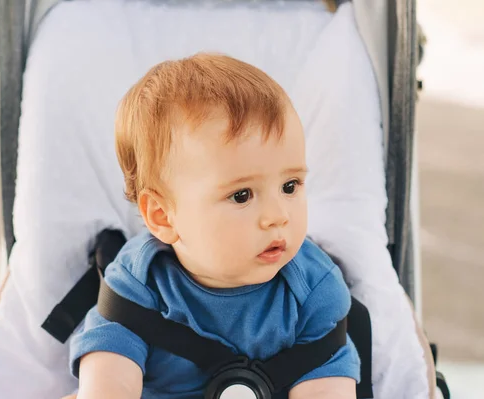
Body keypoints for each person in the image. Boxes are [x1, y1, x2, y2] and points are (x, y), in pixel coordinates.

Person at [69, 53, 360, 399]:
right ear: (163, 216)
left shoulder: (314, 289)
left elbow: (326, 383)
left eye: (290, 186)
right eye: (241, 195)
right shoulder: (140, 281)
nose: (278, 215)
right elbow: (109, 372)